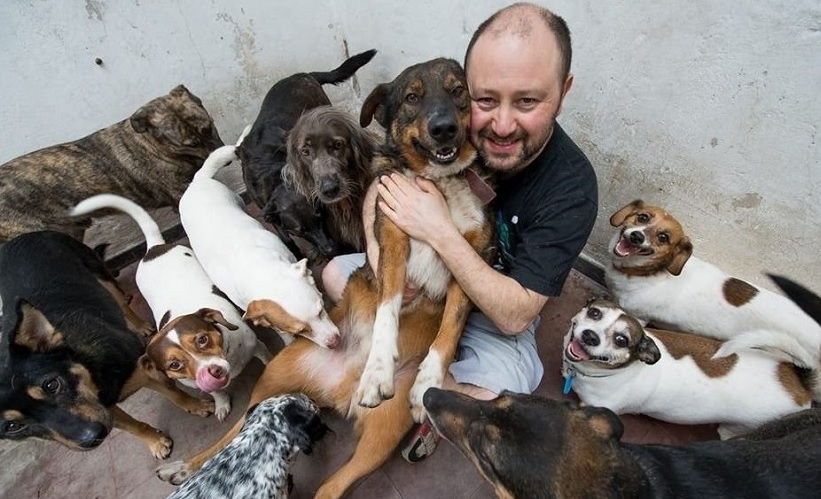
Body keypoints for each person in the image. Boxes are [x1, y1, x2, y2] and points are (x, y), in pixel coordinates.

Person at [322, 2, 598, 461]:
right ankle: (401, 372)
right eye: (486, 100)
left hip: (496, 303)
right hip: (419, 273)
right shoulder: (447, 131)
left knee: (506, 389)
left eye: (528, 101)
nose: (503, 125)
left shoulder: (571, 188)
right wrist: (379, 255)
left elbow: (515, 315)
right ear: (467, 88)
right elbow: (383, 187)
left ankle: (420, 386)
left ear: (563, 92)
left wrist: (439, 229)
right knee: (335, 271)